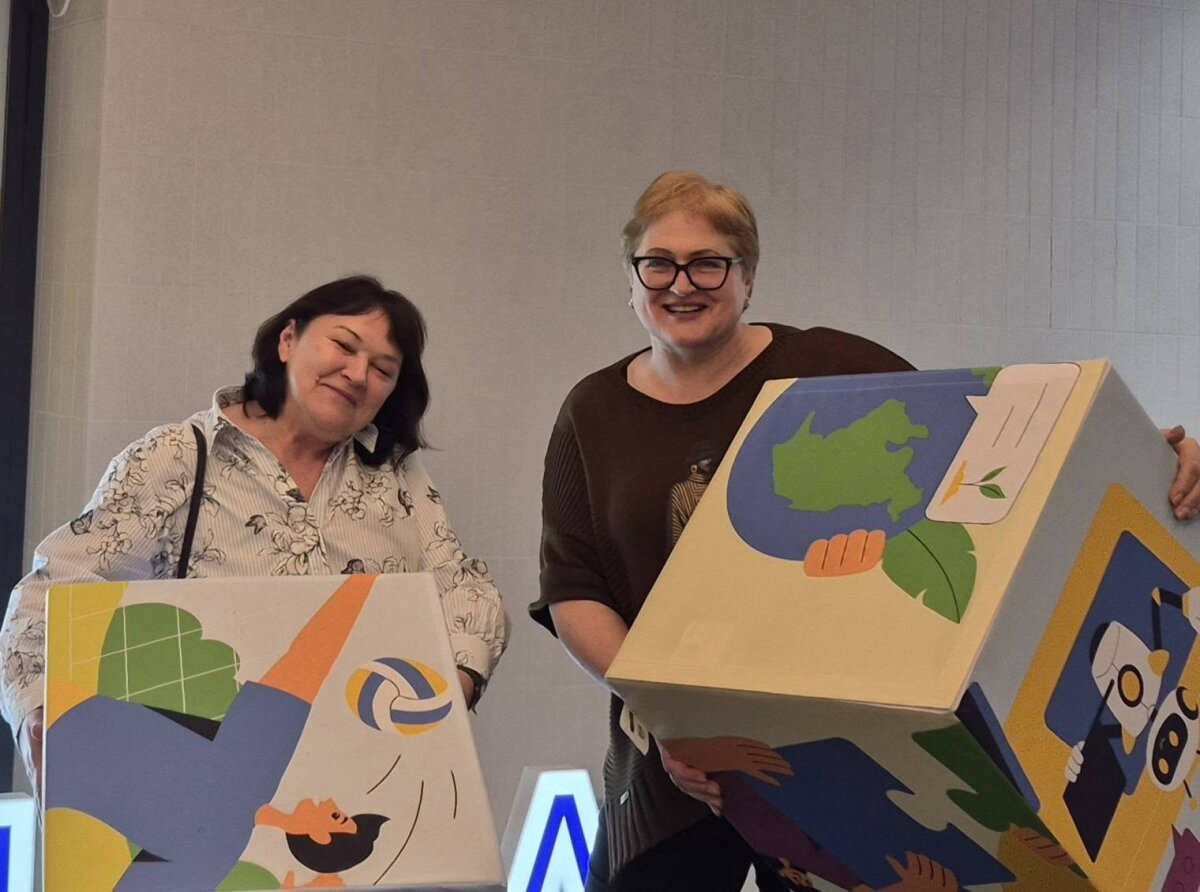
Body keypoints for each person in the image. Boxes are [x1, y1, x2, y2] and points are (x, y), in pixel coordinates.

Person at [529, 170, 1200, 892]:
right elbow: (574, 590)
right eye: (658, 263)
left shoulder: (833, 368)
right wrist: (675, 721)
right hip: (675, 767)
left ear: (747, 277)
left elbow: (994, 451)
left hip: (838, 754)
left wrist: (1150, 456)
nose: (682, 283)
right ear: (631, 279)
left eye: (709, 263)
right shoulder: (591, 411)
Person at [1, 275, 509, 790]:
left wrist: (457, 681)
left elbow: (466, 588)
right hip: (202, 782)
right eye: (344, 345)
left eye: (383, 370)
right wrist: (41, 716)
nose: (358, 374)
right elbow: (50, 594)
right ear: (288, 340)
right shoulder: (177, 456)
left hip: (363, 784)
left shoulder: (396, 474)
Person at [48, 574, 389, 890]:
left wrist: (365, 583)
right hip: (59, 723)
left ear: (321, 837)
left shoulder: (250, 775)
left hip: (62, 728)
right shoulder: (228, 832)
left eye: (336, 816)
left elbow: (309, 659)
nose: (330, 802)